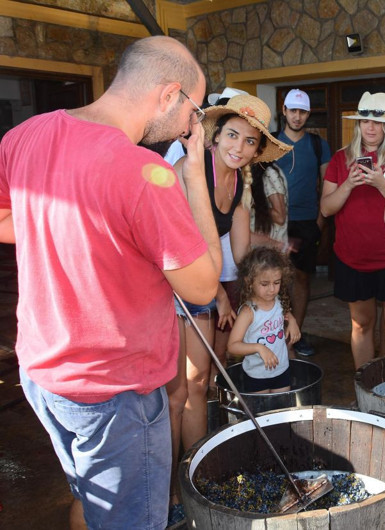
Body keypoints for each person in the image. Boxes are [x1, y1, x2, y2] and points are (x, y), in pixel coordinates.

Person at [0, 36, 222, 529]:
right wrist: (194, 176)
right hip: (113, 391)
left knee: (89, 498)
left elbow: (6, 219)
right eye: (195, 110)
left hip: (43, 374)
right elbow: (204, 286)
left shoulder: (24, 135)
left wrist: (82, 232)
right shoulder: (145, 172)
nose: (193, 124)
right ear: (168, 95)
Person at [167, 93, 290, 512]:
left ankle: (199, 471)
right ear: (215, 136)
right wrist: (219, 295)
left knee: (200, 382)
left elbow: (238, 259)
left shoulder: (239, 184)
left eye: (250, 141)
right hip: (170, 278)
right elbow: (182, 243)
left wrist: (273, 296)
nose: (239, 147)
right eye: (232, 135)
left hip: (202, 279)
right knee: (184, 386)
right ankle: (180, 480)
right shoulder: (190, 168)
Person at [320, 92, 385, 369]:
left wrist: (381, 184)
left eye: (378, 122)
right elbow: (326, 209)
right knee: (361, 324)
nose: (371, 128)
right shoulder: (340, 159)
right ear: (358, 125)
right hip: (353, 257)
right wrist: (348, 184)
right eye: (365, 121)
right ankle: (365, 390)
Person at [276, 88, 332, 357]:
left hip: (307, 222)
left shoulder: (318, 144)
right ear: (284, 111)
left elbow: (327, 187)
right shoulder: (270, 143)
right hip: (275, 224)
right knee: (272, 280)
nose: (297, 116)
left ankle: (295, 336)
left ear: (308, 113)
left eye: (302, 111)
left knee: (301, 280)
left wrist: (320, 222)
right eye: (293, 110)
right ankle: (273, 334)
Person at [228, 247, 300, 393]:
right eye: (265, 284)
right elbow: (233, 346)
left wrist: (292, 321)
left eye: (277, 282)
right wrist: (259, 348)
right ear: (249, 281)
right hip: (256, 375)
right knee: (261, 414)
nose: (272, 289)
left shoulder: (278, 300)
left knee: (282, 411)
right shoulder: (249, 312)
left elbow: (285, 311)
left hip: (281, 370)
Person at [250, 161, 289, 251]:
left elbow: (280, 217)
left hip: (273, 249)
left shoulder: (269, 173)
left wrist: (254, 203)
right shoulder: (250, 173)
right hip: (259, 248)